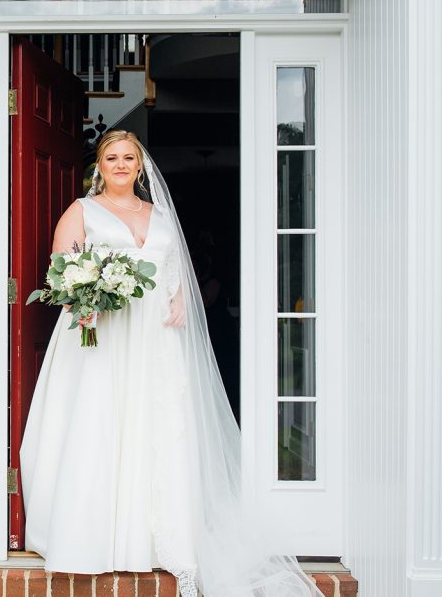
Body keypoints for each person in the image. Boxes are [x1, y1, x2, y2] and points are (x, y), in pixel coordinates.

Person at [19, 130, 322, 597]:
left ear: (140, 166)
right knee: (100, 425)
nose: (121, 165)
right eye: (112, 157)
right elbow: (60, 271)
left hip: (155, 339)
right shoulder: (82, 211)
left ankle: (153, 539)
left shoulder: (159, 215)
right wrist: (83, 299)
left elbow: (174, 271)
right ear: (99, 166)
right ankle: (90, 536)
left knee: (156, 429)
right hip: (101, 337)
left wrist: (180, 298)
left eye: (129, 158)